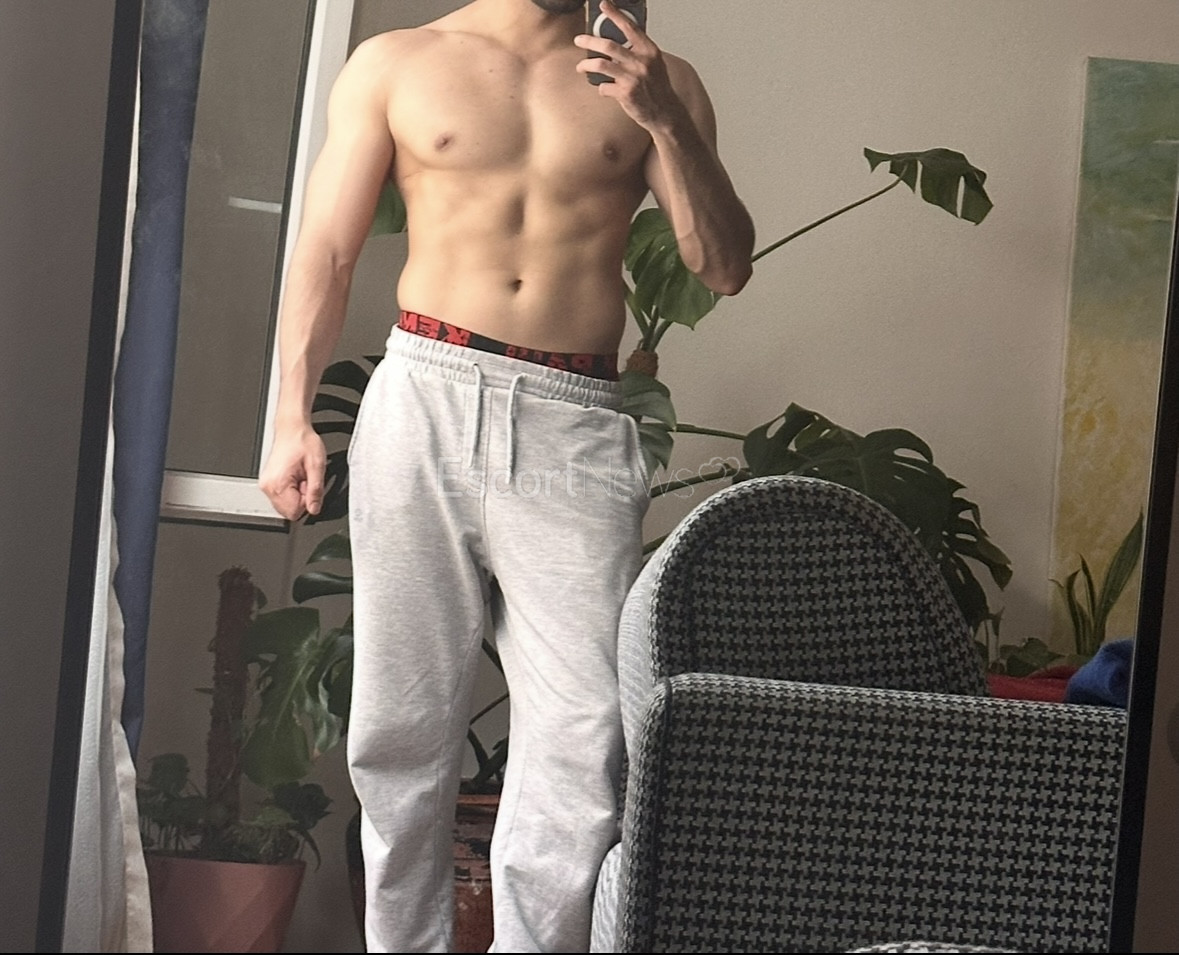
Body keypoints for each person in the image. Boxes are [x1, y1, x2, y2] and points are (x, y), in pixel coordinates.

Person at [259, 1, 753, 951]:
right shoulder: (398, 63)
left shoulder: (663, 83)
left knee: (582, 735)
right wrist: (290, 416)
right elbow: (327, 248)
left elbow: (722, 266)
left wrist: (661, 118)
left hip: (577, 419)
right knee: (400, 728)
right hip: (426, 393)